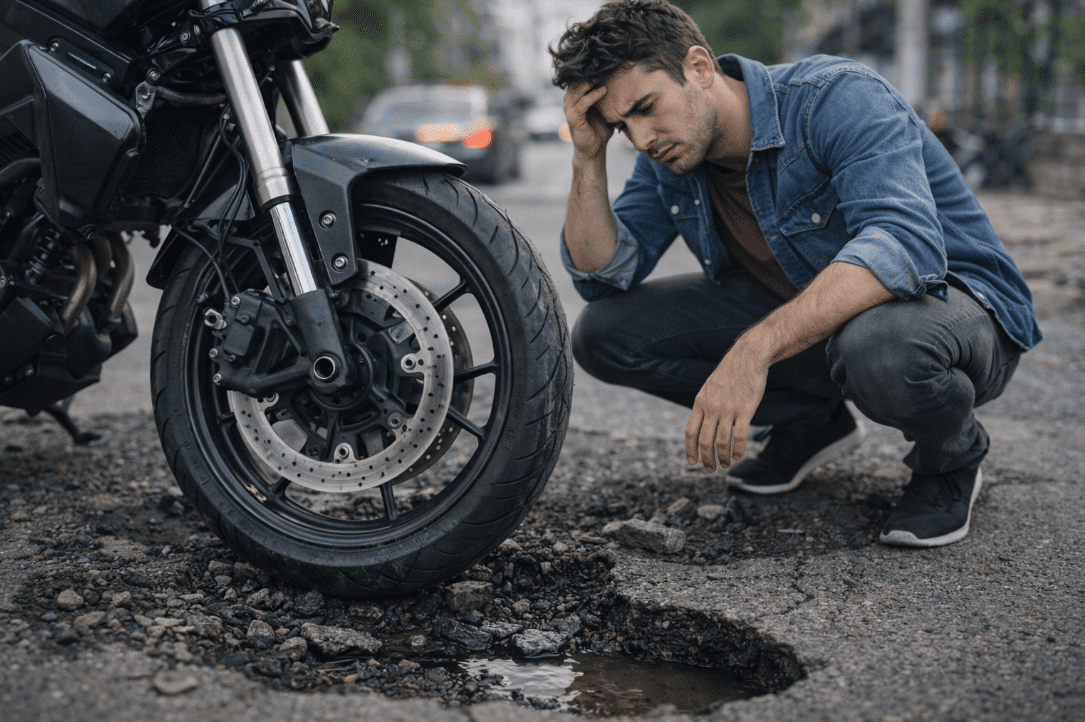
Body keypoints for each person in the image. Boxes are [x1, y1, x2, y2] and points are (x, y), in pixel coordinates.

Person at [549, 0, 1040, 547]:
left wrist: (752, 352)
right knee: (603, 333)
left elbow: (904, 244)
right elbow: (603, 275)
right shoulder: (670, 155)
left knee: (881, 345)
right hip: (824, 325)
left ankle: (951, 459)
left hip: (956, 314)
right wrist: (587, 157)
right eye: (621, 126)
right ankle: (811, 422)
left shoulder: (834, 97)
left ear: (699, 68)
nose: (640, 138)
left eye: (644, 106)